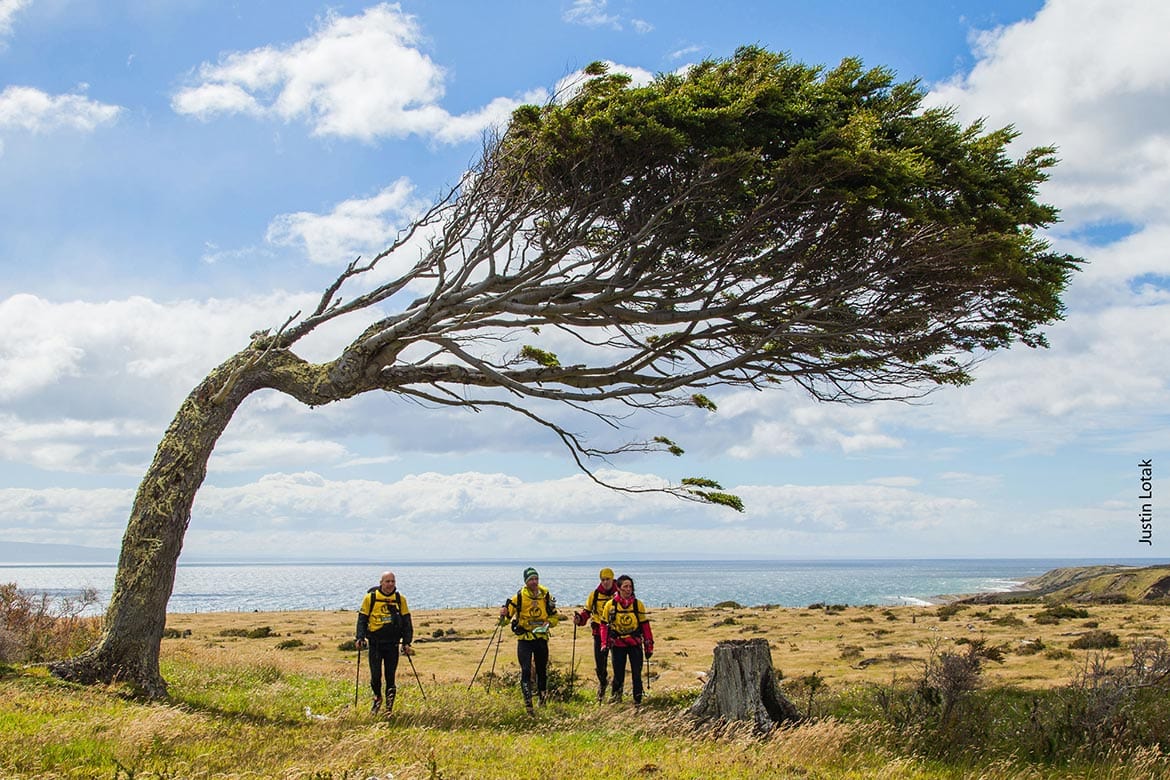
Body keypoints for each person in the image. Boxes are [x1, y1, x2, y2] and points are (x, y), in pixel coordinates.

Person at [499, 566, 560, 714]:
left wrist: (549, 623)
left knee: (542, 671)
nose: (534, 582)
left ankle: (542, 700)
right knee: (525, 670)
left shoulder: (545, 596)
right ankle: (528, 705)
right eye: (531, 579)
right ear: (526, 581)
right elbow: (504, 622)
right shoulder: (518, 597)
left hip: (541, 639)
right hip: (524, 640)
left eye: (536, 579)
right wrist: (503, 615)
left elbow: (555, 617)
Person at [355, 571, 414, 715]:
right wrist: (360, 638)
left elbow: (407, 622)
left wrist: (407, 642)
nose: (390, 584)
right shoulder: (371, 598)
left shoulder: (400, 599)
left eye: (393, 581)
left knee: (390, 676)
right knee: (375, 676)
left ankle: (389, 708)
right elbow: (362, 619)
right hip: (375, 643)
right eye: (387, 581)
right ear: (381, 582)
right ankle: (377, 698)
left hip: (392, 644)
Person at [600, 574, 654, 706]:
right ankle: (616, 700)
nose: (628, 589)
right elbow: (604, 626)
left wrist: (649, 646)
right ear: (618, 588)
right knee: (618, 674)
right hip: (617, 644)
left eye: (630, 586)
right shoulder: (610, 605)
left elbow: (645, 626)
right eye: (625, 586)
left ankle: (638, 701)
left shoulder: (638, 605)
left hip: (634, 643)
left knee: (637, 673)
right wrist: (604, 644)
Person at [574, 567, 618, 702]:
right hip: (599, 633)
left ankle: (616, 692)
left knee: (618, 663)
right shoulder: (595, 595)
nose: (605, 582)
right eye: (603, 580)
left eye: (608, 579)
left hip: (617, 634)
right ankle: (603, 683)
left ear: (612, 579)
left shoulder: (619, 593)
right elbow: (587, 612)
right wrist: (580, 619)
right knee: (600, 664)